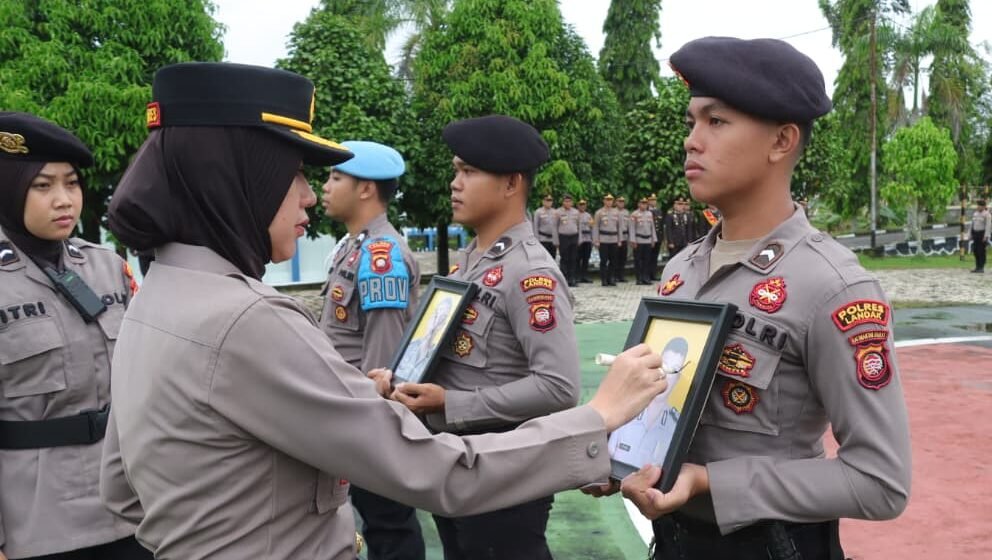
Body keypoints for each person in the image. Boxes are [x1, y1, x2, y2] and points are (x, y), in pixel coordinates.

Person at [99, 63, 668, 560]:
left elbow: (121, 491)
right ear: (236, 175)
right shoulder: (249, 319)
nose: (306, 194)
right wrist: (600, 418)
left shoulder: (155, 296)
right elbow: (439, 472)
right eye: (292, 171)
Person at [611, 37, 912, 560]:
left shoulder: (833, 286)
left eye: (716, 122)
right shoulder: (682, 270)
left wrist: (712, 482)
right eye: (692, 123)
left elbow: (880, 481)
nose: (692, 141)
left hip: (774, 546)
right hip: (675, 542)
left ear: (781, 141)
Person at [390, 114, 582, 560]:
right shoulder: (471, 261)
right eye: (456, 170)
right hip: (458, 461)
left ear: (512, 183)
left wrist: (450, 404)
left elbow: (559, 386)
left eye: (469, 171)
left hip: (504, 473)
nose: (455, 183)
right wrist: (401, 377)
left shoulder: (529, 272)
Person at [0, 112, 149, 559]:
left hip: (132, 507)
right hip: (39, 523)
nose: (64, 200)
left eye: (72, 183)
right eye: (42, 186)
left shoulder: (106, 266)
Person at [317, 140, 425, 560]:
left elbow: (382, 362)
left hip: (367, 418)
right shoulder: (353, 246)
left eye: (336, 177)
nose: (325, 186)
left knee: (388, 525)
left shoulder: (382, 255)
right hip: (347, 411)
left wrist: (370, 419)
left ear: (365, 189)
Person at [593, 194, 621, 286]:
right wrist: (596, 240)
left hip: (613, 239)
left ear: (613, 201)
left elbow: (619, 227)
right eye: (607, 200)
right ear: (604, 201)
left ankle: (611, 278)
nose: (609, 202)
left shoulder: (616, 212)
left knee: (613, 260)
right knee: (604, 260)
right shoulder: (599, 212)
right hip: (603, 239)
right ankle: (604, 279)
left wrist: (619, 240)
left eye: (610, 200)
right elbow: (595, 227)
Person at [630, 197, 658, 285]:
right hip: (638, 240)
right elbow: (632, 228)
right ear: (638, 204)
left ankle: (646, 278)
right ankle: (639, 278)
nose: (644, 205)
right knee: (638, 260)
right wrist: (633, 240)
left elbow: (652, 227)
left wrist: (654, 239)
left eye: (645, 203)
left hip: (648, 240)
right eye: (642, 203)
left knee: (647, 260)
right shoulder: (634, 214)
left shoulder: (649, 214)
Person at [556, 194, 580, 287]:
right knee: (564, 259)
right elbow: (555, 227)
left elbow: (579, 226)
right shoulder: (558, 212)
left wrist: (579, 238)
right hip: (563, 237)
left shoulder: (576, 212)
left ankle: (572, 279)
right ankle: (564, 279)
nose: (568, 203)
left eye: (569, 201)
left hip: (574, 236)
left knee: (573, 259)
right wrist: (556, 240)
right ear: (563, 202)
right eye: (566, 201)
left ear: (572, 202)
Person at [970, 199, 990, 273]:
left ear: (984, 206)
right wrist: (970, 234)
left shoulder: (987, 215)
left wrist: (986, 236)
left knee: (981, 251)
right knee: (975, 251)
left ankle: (981, 267)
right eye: (978, 205)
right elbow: (972, 225)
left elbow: (988, 226)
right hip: (975, 233)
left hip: (982, 234)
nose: (978, 207)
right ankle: (977, 266)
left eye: (980, 205)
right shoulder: (975, 214)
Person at [577, 199, 594, 283]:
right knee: (577, 258)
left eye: (584, 205)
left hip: (587, 239)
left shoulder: (588, 215)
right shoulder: (575, 215)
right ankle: (577, 276)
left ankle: (584, 276)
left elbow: (592, 227)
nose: (582, 206)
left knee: (586, 258)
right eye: (581, 204)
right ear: (578, 206)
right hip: (579, 239)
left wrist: (593, 239)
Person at [615, 195, 631, 282]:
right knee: (615, 257)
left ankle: (621, 275)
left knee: (623, 257)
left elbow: (629, 226)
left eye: (623, 202)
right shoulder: (613, 212)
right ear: (616, 202)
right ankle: (615, 275)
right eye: (619, 201)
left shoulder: (626, 212)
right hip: (615, 237)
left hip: (625, 237)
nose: (621, 203)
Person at [648, 194, 664, 279]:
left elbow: (660, 225)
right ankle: (647, 274)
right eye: (651, 200)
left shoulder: (659, 211)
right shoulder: (647, 211)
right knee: (648, 257)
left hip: (658, 237)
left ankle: (653, 274)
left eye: (654, 200)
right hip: (650, 238)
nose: (653, 202)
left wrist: (662, 237)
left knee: (655, 257)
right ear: (648, 201)